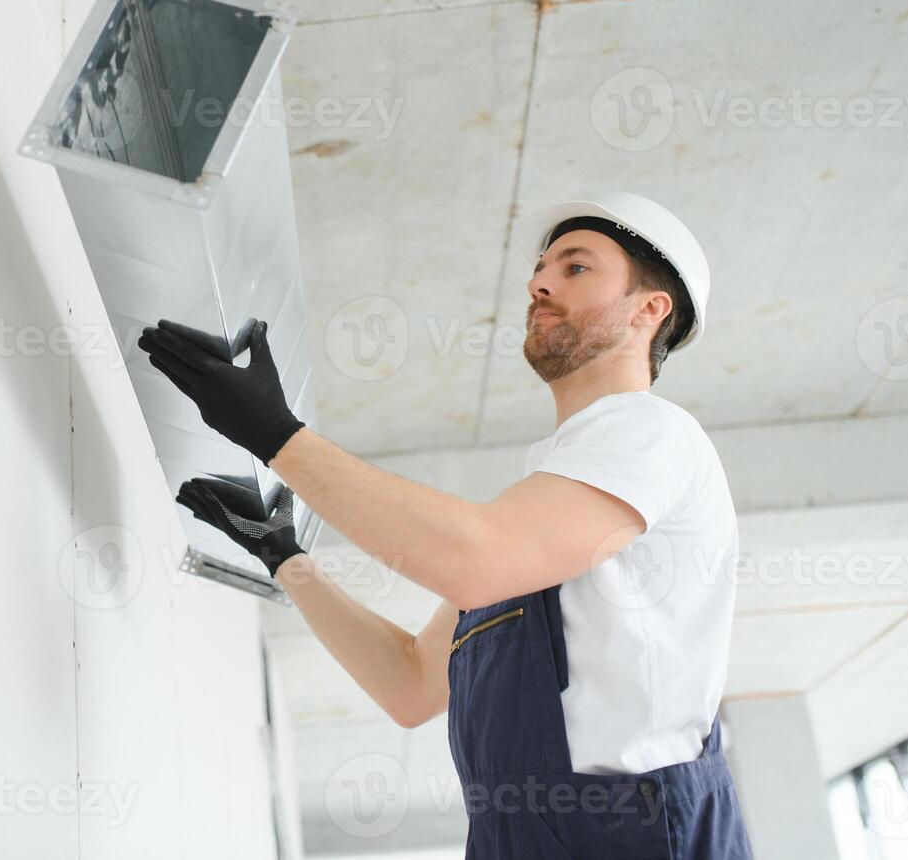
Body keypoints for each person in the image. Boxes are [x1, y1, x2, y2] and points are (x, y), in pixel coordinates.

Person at [139, 192, 755, 858]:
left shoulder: (651, 433)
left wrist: (275, 435)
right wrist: (284, 555)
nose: (537, 282)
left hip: (628, 837)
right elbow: (409, 685)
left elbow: (474, 560)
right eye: (541, 267)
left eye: (575, 268)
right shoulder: (540, 515)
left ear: (648, 309)